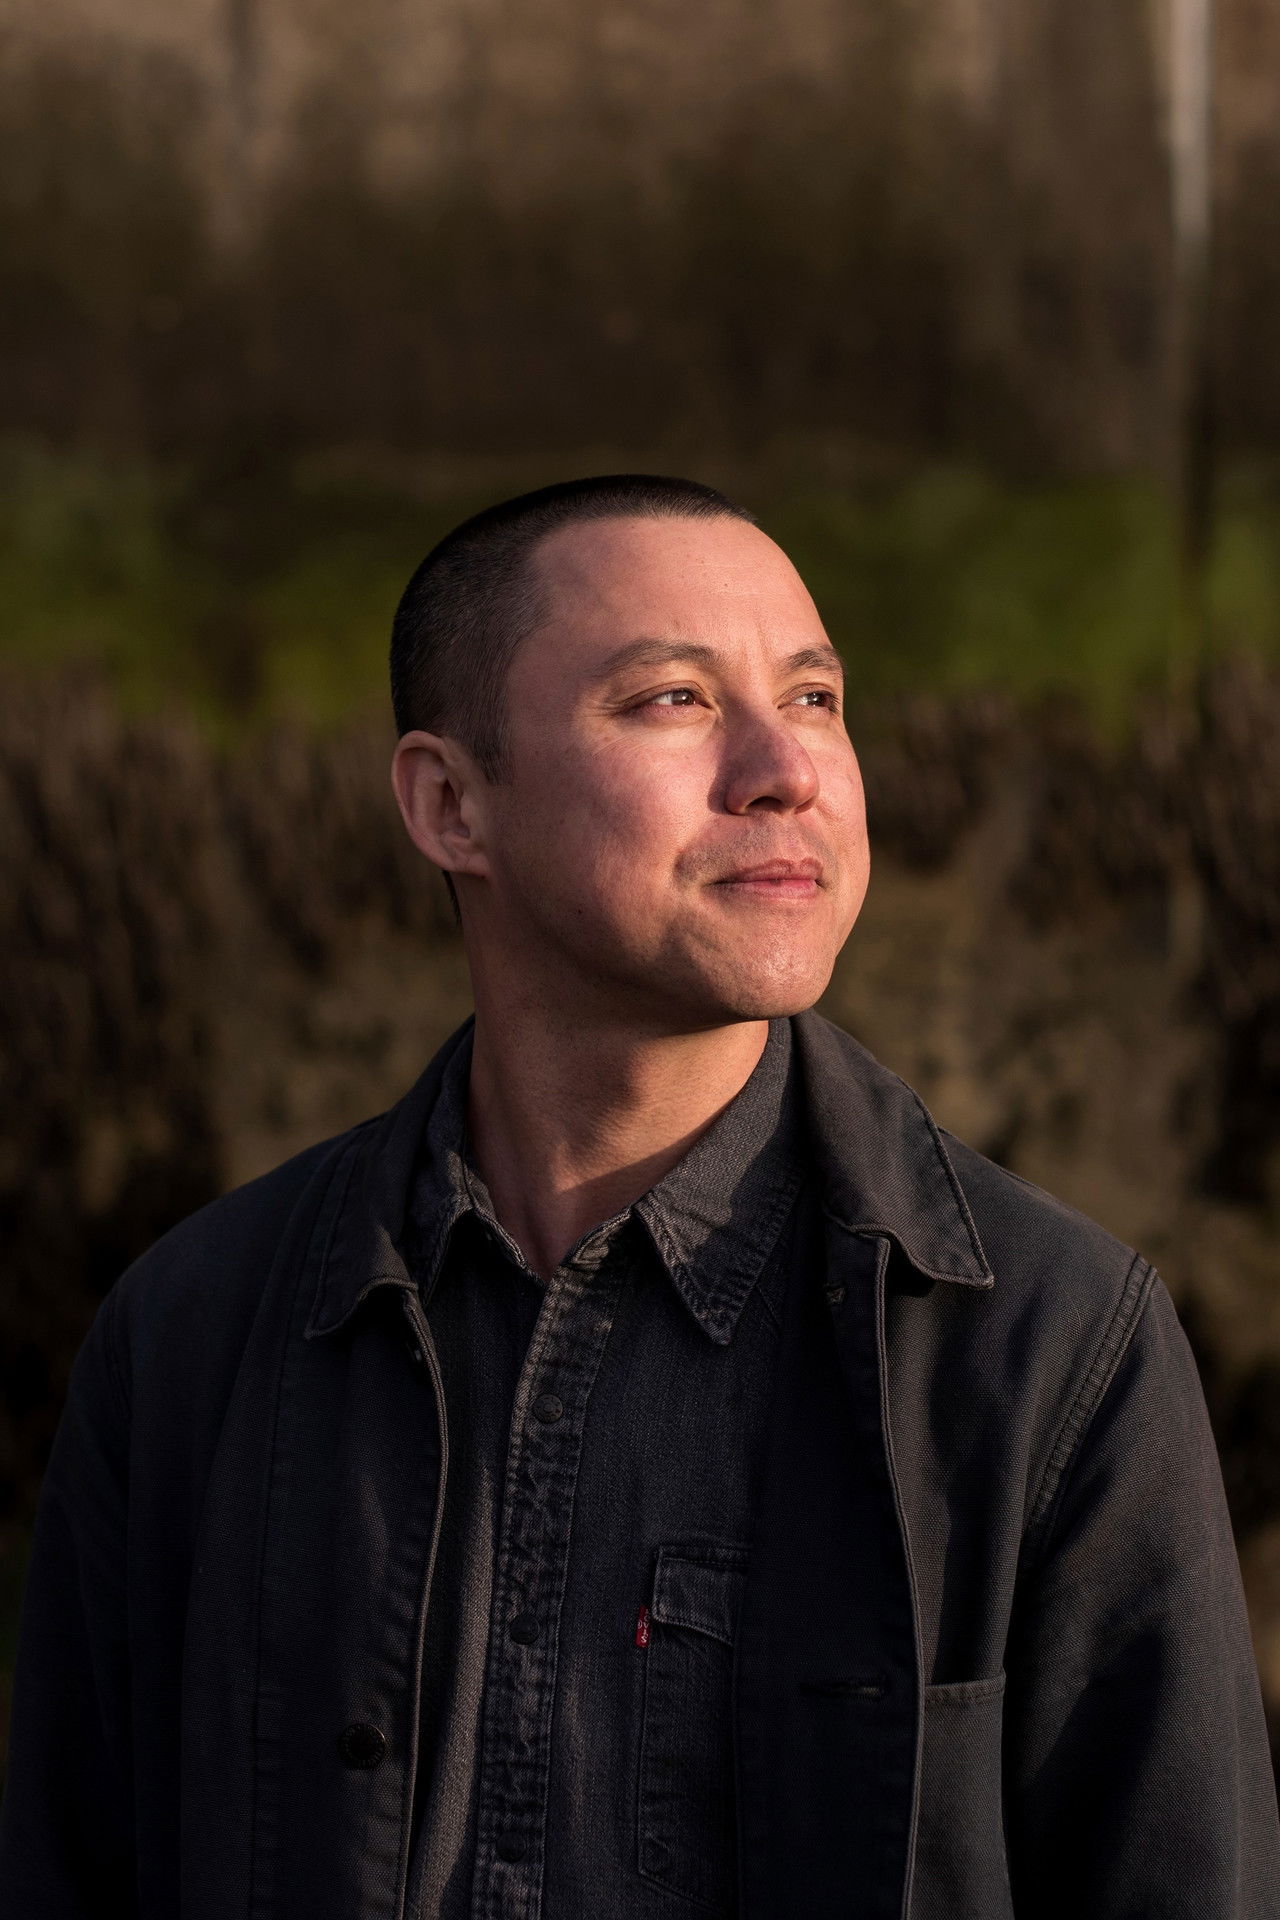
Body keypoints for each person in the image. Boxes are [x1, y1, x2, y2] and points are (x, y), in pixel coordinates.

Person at [0, 474, 1276, 1920]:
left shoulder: (1047, 1349)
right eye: (674, 700)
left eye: (814, 699)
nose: (785, 772)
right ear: (451, 804)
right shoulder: (191, 1337)